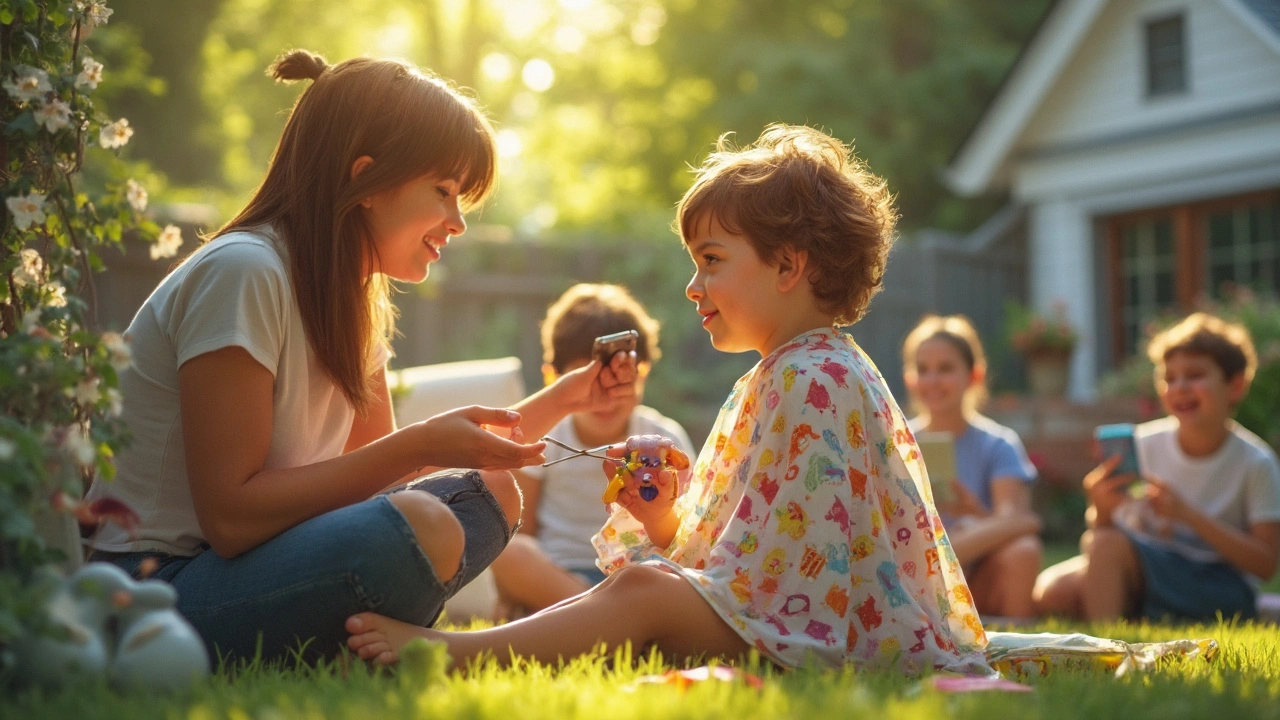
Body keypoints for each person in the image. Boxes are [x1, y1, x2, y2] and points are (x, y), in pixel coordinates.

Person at [346, 124, 991, 675]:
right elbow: (764, 550)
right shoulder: (789, 372)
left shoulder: (814, 380)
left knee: (644, 589)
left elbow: (794, 578)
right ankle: (468, 645)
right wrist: (662, 522)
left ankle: (457, 655)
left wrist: (669, 562)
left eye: (711, 260)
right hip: (794, 623)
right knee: (642, 584)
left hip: (824, 638)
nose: (693, 285)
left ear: (789, 267)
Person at [81, 50, 635, 663]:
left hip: (253, 564)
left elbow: (386, 480)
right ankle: (359, 641)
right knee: (419, 529)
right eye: (445, 191)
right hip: (159, 586)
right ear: (366, 180)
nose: (458, 222)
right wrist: (420, 443)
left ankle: (355, 642)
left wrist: (566, 398)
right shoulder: (246, 272)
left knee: (492, 496)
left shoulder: (356, 300)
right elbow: (231, 519)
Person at [1033, 312, 1280, 621]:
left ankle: (1110, 647)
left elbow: (1266, 563)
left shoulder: (1256, 462)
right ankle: (1138, 616)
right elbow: (1106, 537)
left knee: (1106, 549)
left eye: (1194, 375)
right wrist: (1102, 508)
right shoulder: (1143, 444)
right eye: (1169, 377)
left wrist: (1187, 514)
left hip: (1220, 582)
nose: (1179, 387)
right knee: (1052, 591)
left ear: (1235, 386)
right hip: (1151, 568)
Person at [489, 283, 696, 615]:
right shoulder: (547, 436)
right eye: (591, 380)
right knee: (510, 553)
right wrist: (511, 591)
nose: (607, 394)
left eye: (619, 378)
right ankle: (605, 615)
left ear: (642, 372)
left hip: (637, 573)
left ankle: (590, 615)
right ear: (553, 379)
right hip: (561, 576)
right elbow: (519, 528)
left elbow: (687, 534)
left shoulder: (664, 438)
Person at [901, 315, 1042, 619]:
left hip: (979, 574)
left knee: (1024, 549)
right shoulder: (897, 445)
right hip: (914, 577)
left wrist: (978, 514)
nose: (933, 380)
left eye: (946, 369)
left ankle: (1016, 642)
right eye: (923, 369)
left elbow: (1015, 520)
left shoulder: (999, 443)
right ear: (910, 378)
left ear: (974, 375)